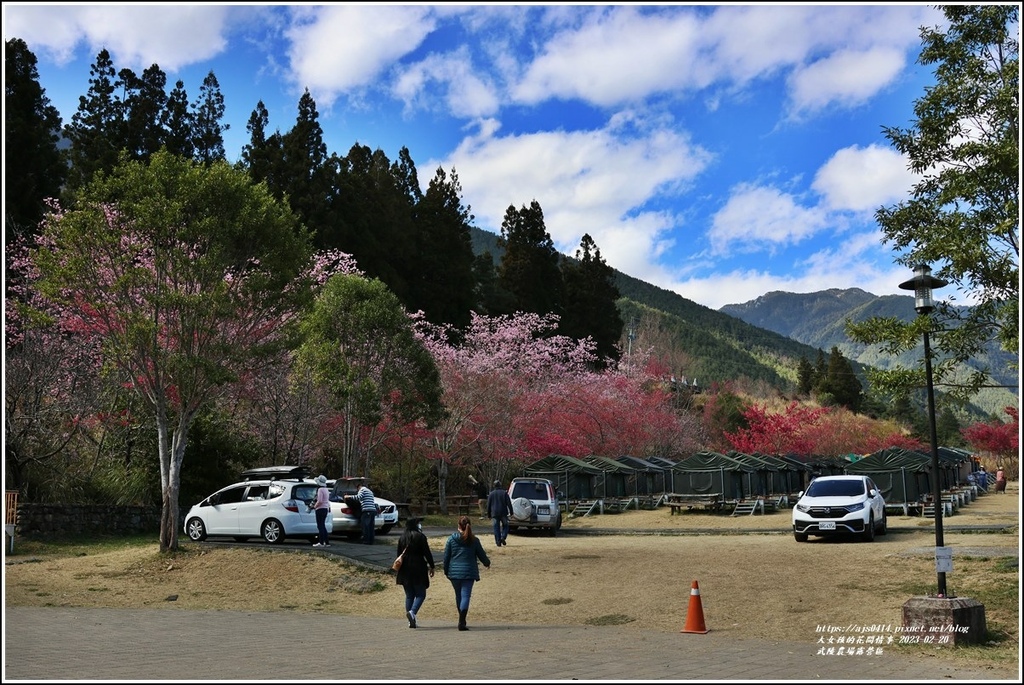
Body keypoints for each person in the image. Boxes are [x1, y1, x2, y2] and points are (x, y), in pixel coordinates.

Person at [443, 515, 490, 631]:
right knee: (466, 596)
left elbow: (446, 557)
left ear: (458, 526)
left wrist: (446, 571)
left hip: (454, 573)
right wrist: (487, 563)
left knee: (458, 595)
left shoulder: (451, 539)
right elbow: (481, 555)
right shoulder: (474, 540)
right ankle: (462, 621)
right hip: (469, 572)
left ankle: (461, 618)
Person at [395, 516, 435, 628]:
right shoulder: (420, 537)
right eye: (418, 523)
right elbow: (427, 553)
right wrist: (432, 566)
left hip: (404, 569)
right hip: (418, 568)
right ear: (415, 525)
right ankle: (412, 613)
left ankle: (410, 620)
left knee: (409, 595)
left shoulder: (402, 537)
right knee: (421, 594)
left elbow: (398, 554)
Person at [486, 480, 513, 547]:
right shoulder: (504, 493)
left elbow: (488, 505)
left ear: (494, 486)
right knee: (506, 526)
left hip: (494, 513)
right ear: (500, 485)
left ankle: (498, 542)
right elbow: (509, 503)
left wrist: (488, 514)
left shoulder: (491, 494)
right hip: (503, 512)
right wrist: (511, 512)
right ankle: (503, 537)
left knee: (496, 527)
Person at [312, 475, 332, 548]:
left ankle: (321, 542)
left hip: (320, 509)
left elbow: (320, 500)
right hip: (325, 508)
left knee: (320, 525)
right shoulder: (326, 489)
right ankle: (326, 542)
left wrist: (315, 506)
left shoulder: (320, 489)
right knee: (323, 525)